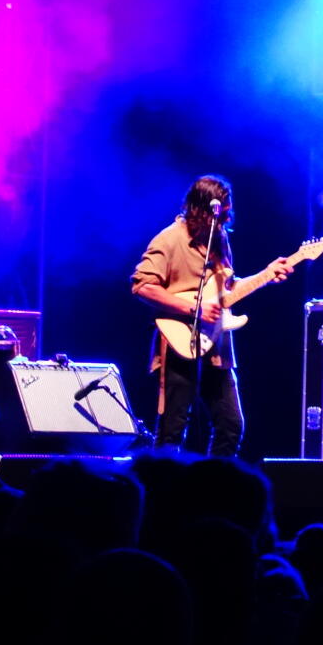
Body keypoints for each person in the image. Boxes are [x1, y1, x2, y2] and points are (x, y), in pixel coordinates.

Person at [131, 175, 293, 456]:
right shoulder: (169, 239)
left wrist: (267, 275)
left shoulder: (220, 239)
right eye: (219, 212)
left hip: (216, 346)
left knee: (231, 425)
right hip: (179, 343)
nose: (225, 218)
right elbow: (142, 286)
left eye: (227, 211)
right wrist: (195, 309)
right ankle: (163, 482)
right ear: (198, 209)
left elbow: (226, 289)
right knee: (172, 430)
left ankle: (213, 481)